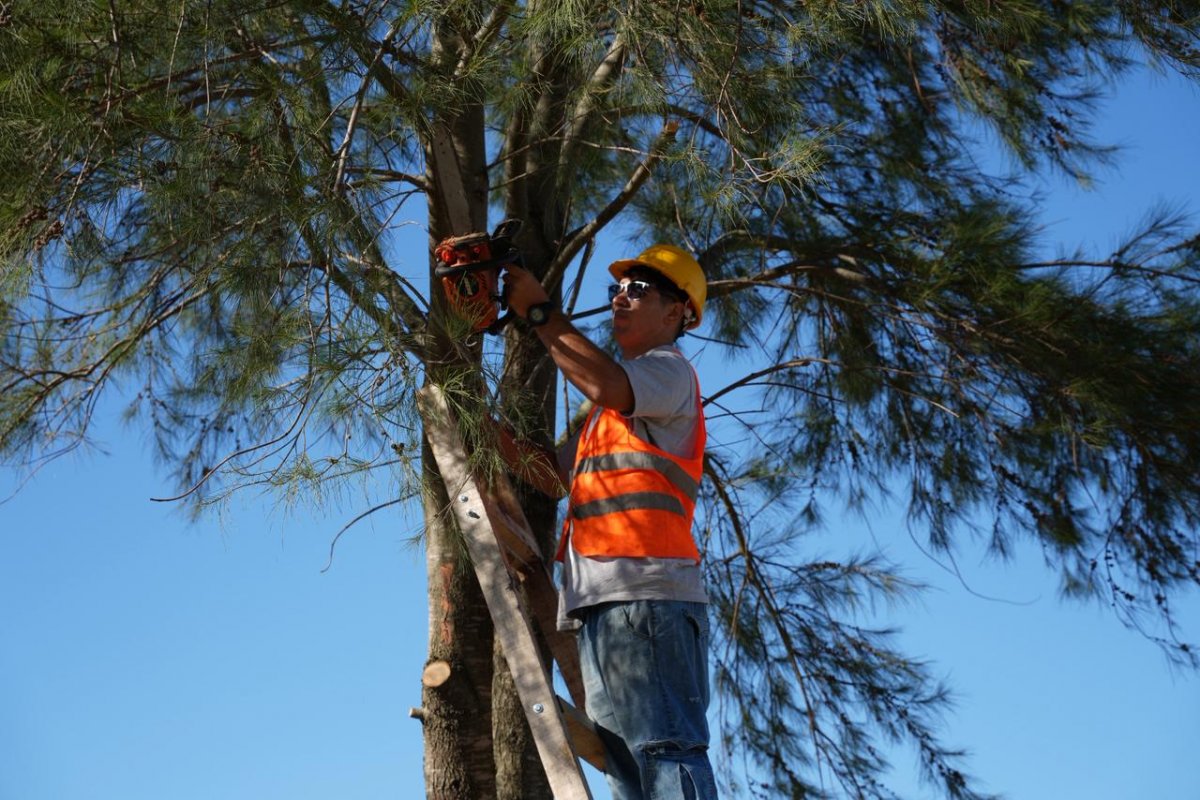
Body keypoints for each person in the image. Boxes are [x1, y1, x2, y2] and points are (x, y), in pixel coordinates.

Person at [503, 244, 719, 800]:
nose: (621, 298)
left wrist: (539, 313)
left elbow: (606, 383)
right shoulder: (610, 412)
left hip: (647, 599)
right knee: (627, 774)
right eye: (617, 290)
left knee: (664, 754)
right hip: (604, 604)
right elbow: (551, 475)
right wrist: (480, 430)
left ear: (677, 312)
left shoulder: (668, 371)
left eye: (639, 290)